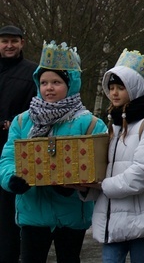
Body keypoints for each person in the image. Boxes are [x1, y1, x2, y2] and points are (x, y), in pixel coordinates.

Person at [0, 41, 107, 263]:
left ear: (71, 84)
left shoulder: (89, 124)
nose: (49, 87)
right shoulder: (23, 121)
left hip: (70, 212)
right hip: (32, 210)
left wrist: (76, 184)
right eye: (44, 82)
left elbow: (100, 167)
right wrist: (11, 179)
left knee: (69, 258)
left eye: (57, 82)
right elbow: (9, 157)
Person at [82, 49, 144, 261]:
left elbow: (143, 172)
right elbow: (104, 168)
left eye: (120, 87)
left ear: (133, 88)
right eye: (111, 87)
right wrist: (86, 186)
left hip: (142, 220)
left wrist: (103, 185)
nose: (114, 93)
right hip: (113, 221)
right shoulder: (113, 125)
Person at [0, 24, 37, 263]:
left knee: (7, 218)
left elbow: (36, 110)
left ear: (22, 43)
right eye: (5, 41)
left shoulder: (32, 72)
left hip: (14, 153)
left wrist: (14, 124)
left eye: (14, 41)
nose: (9, 45)